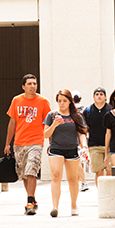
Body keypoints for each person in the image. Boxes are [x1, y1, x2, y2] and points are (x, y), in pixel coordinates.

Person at [4, 74, 51, 216]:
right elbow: (12, 123)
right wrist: (7, 143)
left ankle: (29, 201)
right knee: (24, 174)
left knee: (31, 170)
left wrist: (51, 142)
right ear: (23, 86)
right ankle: (32, 198)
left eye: (34, 83)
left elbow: (49, 124)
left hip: (36, 141)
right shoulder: (16, 100)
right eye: (29, 84)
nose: (33, 86)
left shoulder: (43, 102)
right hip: (19, 142)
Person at [43, 89, 88, 217]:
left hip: (72, 149)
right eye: (59, 101)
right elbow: (45, 134)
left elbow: (82, 133)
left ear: (70, 101)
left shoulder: (77, 116)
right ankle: (55, 207)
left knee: (73, 178)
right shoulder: (51, 115)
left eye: (64, 101)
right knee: (56, 175)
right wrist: (54, 125)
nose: (61, 103)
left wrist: (84, 147)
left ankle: (74, 205)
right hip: (56, 148)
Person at [84, 87, 112, 188]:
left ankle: (109, 194)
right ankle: (101, 194)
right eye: (97, 94)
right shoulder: (87, 111)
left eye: (101, 94)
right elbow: (84, 127)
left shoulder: (111, 109)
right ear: (93, 97)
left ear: (105, 97)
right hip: (94, 145)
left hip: (109, 145)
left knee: (109, 171)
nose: (99, 96)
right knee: (99, 172)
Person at [72, 90, 89, 192]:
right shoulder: (85, 109)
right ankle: (78, 182)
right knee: (80, 160)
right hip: (84, 137)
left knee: (77, 160)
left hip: (74, 137)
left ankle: (83, 182)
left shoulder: (72, 110)